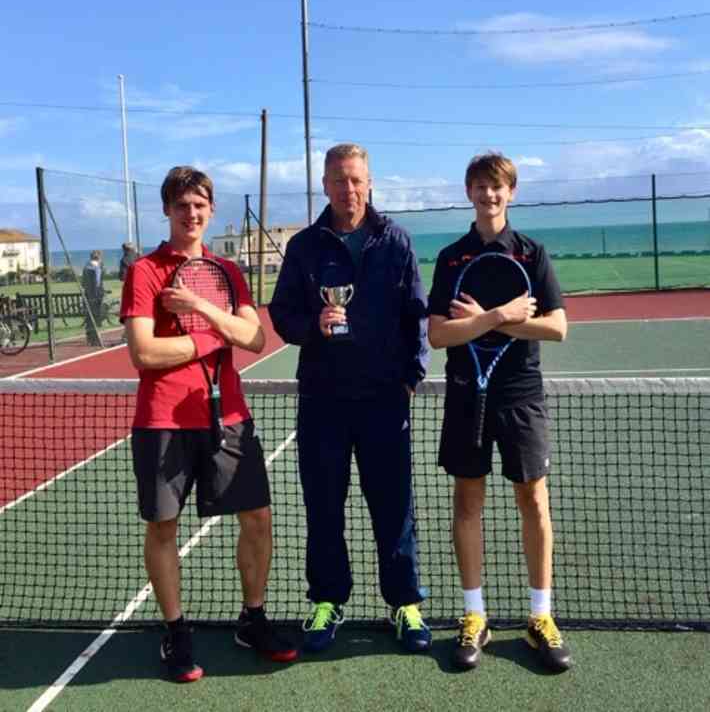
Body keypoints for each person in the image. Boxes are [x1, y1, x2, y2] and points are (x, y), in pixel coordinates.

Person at [121, 166, 297, 683]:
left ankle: (253, 618)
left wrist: (199, 307)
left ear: (210, 209)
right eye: (181, 206)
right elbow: (143, 351)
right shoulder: (146, 271)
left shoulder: (227, 272)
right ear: (167, 211)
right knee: (162, 527)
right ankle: (176, 632)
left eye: (199, 205)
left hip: (229, 417)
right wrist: (212, 338)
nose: (191, 213)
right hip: (163, 422)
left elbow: (256, 339)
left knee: (258, 518)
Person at [268, 143, 431, 653]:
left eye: (356, 179)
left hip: (384, 401)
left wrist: (412, 375)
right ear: (324, 184)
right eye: (339, 180)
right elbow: (282, 315)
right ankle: (327, 600)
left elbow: (417, 314)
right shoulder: (304, 247)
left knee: (394, 507)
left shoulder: (395, 240)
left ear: (370, 182)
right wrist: (311, 327)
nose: (348, 189)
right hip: (322, 401)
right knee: (323, 507)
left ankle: (404, 603)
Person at [427, 152, 573, 672]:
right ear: (469, 192)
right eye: (481, 187)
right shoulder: (450, 258)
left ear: (510, 193)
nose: (489, 195)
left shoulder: (532, 254)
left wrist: (491, 322)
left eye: (499, 187)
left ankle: (541, 616)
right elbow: (439, 333)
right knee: (468, 502)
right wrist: (501, 316)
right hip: (467, 392)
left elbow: (556, 327)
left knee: (533, 501)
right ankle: (474, 615)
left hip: (520, 394)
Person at [82, 249, 104, 346]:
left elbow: (83, 283)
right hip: (95, 295)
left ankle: (90, 336)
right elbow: (97, 283)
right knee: (95, 316)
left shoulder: (86, 266)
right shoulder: (96, 268)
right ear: (99, 257)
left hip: (88, 294)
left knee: (89, 316)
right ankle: (95, 338)